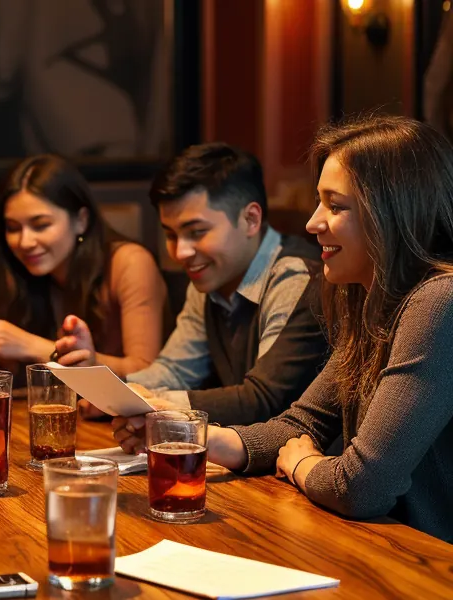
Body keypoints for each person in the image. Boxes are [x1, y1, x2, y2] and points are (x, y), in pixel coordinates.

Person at [112, 116, 453, 542]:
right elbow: (299, 424)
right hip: (383, 545)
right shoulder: (370, 301)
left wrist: (302, 465)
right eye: (318, 202)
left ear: (394, 212)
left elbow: (362, 487)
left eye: (336, 205)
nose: (312, 223)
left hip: (431, 564)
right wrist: (182, 431)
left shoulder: (439, 300)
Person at [61, 143, 329, 426]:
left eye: (197, 232)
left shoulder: (295, 276)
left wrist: (156, 405)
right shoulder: (212, 276)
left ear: (251, 219)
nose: (181, 253)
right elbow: (175, 371)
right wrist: (108, 387)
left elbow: (265, 400)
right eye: (171, 235)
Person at [0, 154, 167, 380]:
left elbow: (146, 372)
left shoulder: (130, 263)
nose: (25, 242)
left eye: (40, 225)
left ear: (81, 220)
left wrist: (34, 347)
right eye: (13, 228)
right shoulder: (18, 272)